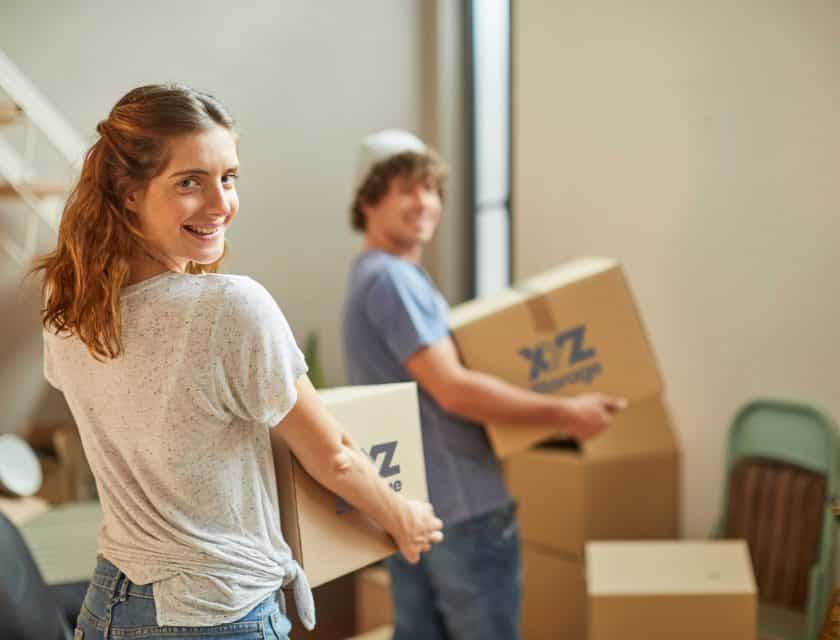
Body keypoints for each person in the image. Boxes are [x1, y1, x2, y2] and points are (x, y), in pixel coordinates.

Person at [32, 86, 443, 640]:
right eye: (189, 182)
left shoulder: (70, 304)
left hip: (108, 605)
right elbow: (335, 456)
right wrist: (403, 518)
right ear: (129, 192)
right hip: (215, 613)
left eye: (228, 177)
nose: (220, 202)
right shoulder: (228, 307)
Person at [341, 129, 627, 640]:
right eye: (407, 188)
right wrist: (566, 412)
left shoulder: (368, 278)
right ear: (368, 199)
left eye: (431, 189)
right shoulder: (392, 280)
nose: (424, 202)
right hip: (462, 508)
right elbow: (452, 388)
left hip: (414, 507)